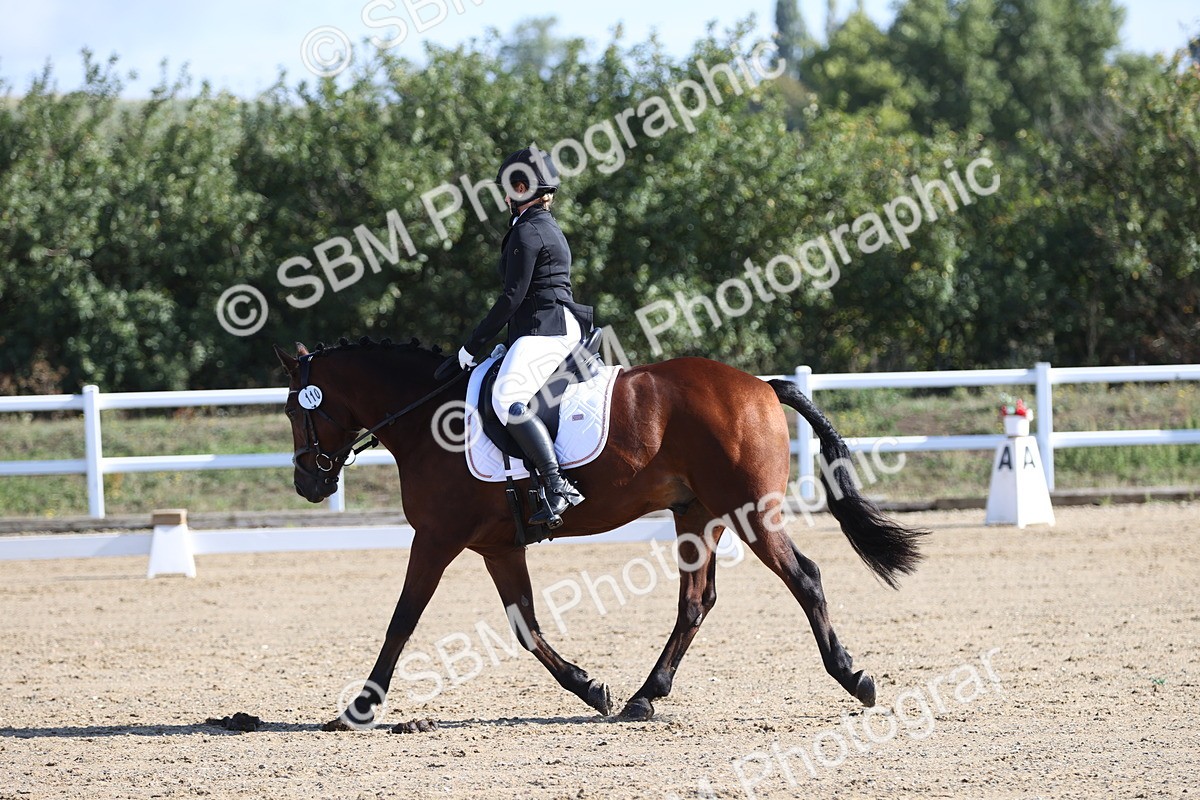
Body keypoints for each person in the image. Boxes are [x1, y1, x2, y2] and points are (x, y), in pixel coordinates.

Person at [454, 146, 594, 528]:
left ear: (520, 188)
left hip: (545, 328)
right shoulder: (543, 225)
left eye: (507, 189)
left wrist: (473, 344)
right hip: (553, 324)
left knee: (506, 398)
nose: (504, 198)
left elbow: (512, 297)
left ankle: (556, 482)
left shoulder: (528, 230)